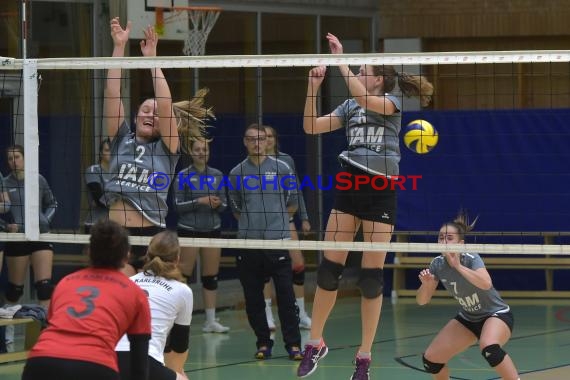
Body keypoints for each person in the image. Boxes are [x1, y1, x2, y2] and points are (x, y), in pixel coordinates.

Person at [297, 33, 434, 380]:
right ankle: (315, 343)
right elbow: (311, 127)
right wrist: (314, 86)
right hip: (350, 185)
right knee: (329, 270)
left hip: (381, 190)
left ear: (379, 78)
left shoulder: (392, 101)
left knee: (371, 279)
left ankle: (364, 357)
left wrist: (340, 59)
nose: (358, 71)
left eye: (363, 68)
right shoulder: (349, 107)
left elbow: (361, 95)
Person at [103, 18, 213, 275]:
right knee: (119, 297)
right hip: (116, 235)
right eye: (145, 110)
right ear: (135, 116)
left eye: (155, 114)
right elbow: (112, 93)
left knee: (146, 304)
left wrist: (152, 60)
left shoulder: (167, 148)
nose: (150, 115)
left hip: (151, 235)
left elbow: (165, 104)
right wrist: (119, 47)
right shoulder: (120, 139)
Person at [21, 220, 151, 380]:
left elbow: (49, 327)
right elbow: (139, 363)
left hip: (41, 362)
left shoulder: (65, 282)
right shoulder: (136, 293)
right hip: (95, 366)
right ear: (127, 256)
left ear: (89, 252)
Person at [416, 211, 520, 380]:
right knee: (431, 361)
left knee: (489, 348)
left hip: (496, 315)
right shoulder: (437, 264)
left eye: (449, 238)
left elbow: (486, 283)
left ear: (461, 243)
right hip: (469, 318)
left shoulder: (471, 258)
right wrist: (426, 286)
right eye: (441, 237)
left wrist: (458, 266)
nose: (444, 241)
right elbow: (422, 301)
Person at [228, 123, 302, 360]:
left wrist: (276, 225)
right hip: (249, 245)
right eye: (251, 139)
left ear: (267, 141)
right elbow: (236, 208)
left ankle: (293, 345)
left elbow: (292, 203)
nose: (256, 143)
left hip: (277, 243)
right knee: (253, 299)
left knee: (286, 297)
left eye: (260, 139)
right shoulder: (236, 173)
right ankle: (263, 343)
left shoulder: (282, 168)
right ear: (245, 142)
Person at [116, 231, 192, 380]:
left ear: (147, 255)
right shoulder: (182, 291)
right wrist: (176, 372)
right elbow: (179, 346)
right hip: (144, 361)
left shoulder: (128, 282)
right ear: (177, 259)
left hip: (110, 361)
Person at [174, 138, 229, 333]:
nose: (200, 153)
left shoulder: (216, 175)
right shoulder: (183, 175)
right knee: (182, 276)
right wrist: (200, 201)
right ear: (191, 152)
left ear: (208, 152)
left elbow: (224, 205)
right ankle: (180, 319)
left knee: (211, 276)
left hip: (212, 229)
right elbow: (177, 206)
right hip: (189, 230)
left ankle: (211, 321)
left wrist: (217, 204)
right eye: (196, 149)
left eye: (204, 149)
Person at [262, 125, 312, 331]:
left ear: (275, 139)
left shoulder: (286, 161)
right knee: (264, 268)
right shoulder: (253, 164)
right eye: (263, 137)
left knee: (298, 264)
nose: (267, 140)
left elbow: (296, 190)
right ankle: (267, 315)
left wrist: (305, 218)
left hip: (286, 219)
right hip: (263, 224)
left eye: (270, 136)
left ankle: (300, 314)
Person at [3, 145, 57, 308]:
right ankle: (10, 334)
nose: (14, 161)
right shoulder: (4, 183)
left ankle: (45, 331)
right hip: (17, 238)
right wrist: (6, 226)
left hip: (39, 235)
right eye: (10, 159)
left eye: (17, 157)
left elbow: (52, 203)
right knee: (15, 290)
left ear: (25, 158)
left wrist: (44, 221)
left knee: (44, 288)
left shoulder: (38, 179)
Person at [83, 138, 111, 233]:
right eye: (107, 150)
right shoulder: (93, 170)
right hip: (95, 224)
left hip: (117, 225)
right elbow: (99, 199)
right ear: (100, 153)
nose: (111, 153)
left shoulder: (121, 173)